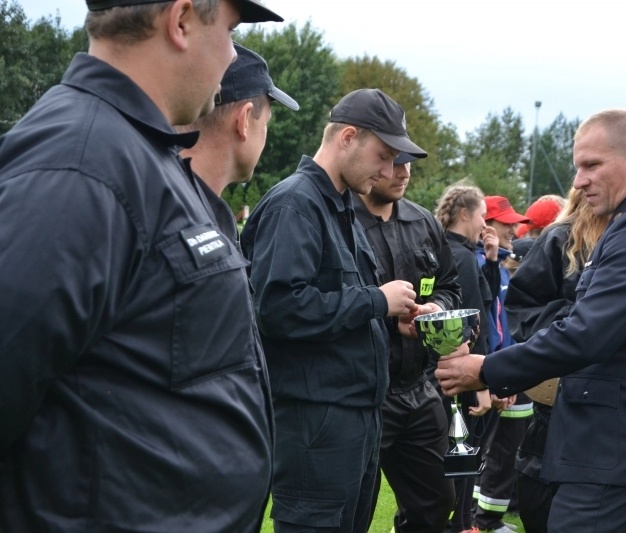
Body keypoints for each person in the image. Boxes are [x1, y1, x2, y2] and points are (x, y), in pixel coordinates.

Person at [0, 1, 284, 531]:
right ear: (181, 21)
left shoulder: (141, 153)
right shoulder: (79, 167)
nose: (231, 56)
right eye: (229, 30)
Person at [436, 109, 626, 533]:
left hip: (615, 462)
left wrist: (485, 370)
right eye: (578, 167)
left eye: (591, 165)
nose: (578, 181)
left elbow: (586, 334)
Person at [240, 88, 426, 532]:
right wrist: (376, 300)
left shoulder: (340, 205)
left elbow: (334, 305)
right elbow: (277, 308)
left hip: (356, 418)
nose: (390, 171)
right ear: (347, 137)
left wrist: (389, 319)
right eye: (384, 156)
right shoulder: (295, 203)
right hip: (315, 423)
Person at [353, 154, 460, 532]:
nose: (404, 172)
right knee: (351, 509)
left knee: (437, 501)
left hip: (418, 387)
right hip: (362, 393)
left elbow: (450, 286)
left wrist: (436, 309)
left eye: (409, 162)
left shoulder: (423, 221)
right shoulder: (339, 220)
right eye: (395, 161)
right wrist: (384, 312)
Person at [505, 187, 610, 533]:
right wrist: (577, 322)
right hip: (558, 399)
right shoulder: (559, 238)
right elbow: (522, 308)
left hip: (621, 408)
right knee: (543, 500)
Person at [179, 41, 298, 239]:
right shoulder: (190, 219)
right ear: (244, 121)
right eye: (265, 123)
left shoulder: (161, 199)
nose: (265, 136)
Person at [434, 181, 497, 533]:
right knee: (464, 453)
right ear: (463, 214)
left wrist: (491, 262)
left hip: (443, 372)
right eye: (482, 216)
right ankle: (461, 525)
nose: (485, 224)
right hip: (465, 375)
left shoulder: (446, 250)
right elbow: (474, 325)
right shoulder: (460, 257)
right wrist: (484, 383)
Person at [473, 195, 533, 533]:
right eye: (506, 223)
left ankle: (481, 517)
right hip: (484, 374)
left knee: (502, 447)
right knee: (480, 449)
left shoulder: (498, 264)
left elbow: (503, 326)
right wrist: (491, 377)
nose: (514, 229)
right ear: (485, 225)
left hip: (502, 371)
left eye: (515, 223)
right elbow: (483, 327)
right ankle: (474, 518)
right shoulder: (476, 263)